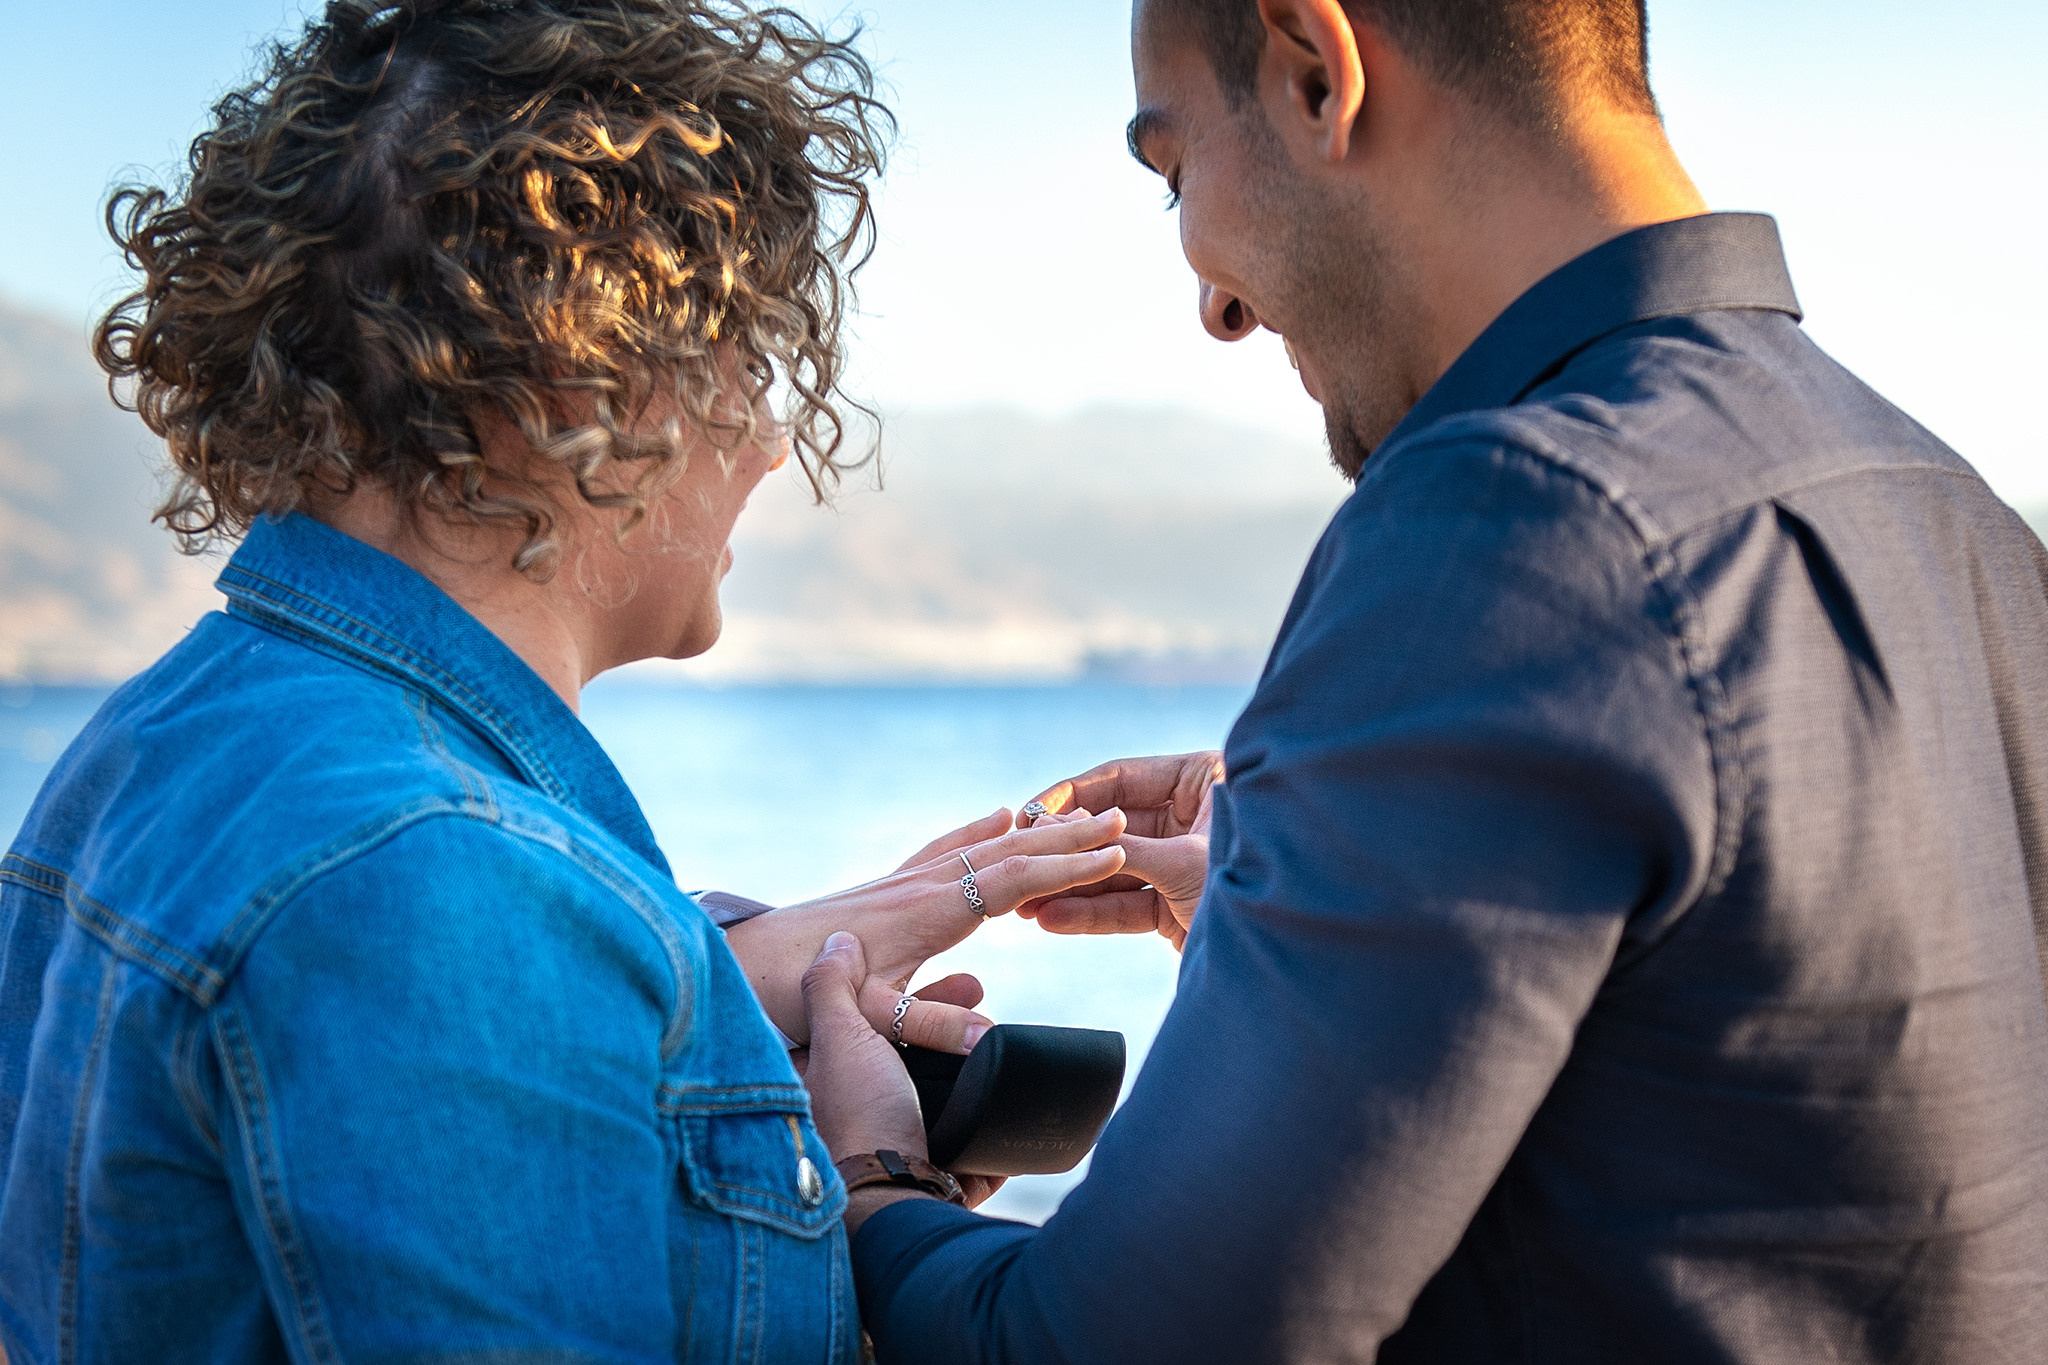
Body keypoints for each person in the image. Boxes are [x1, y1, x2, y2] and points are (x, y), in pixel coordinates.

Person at [797, 0, 2048, 1360]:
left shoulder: (1512, 525)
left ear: (1314, 70)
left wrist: (866, 1184)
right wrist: (1326, 881)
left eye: (1173, 172)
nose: (1213, 304)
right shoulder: (1956, 515)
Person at [0, 2, 1130, 1360]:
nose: (776, 444)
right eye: (747, 356)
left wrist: (694, 1019)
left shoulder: (141, 751)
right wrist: (871, 1201)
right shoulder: (453, 890)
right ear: (594, 373)